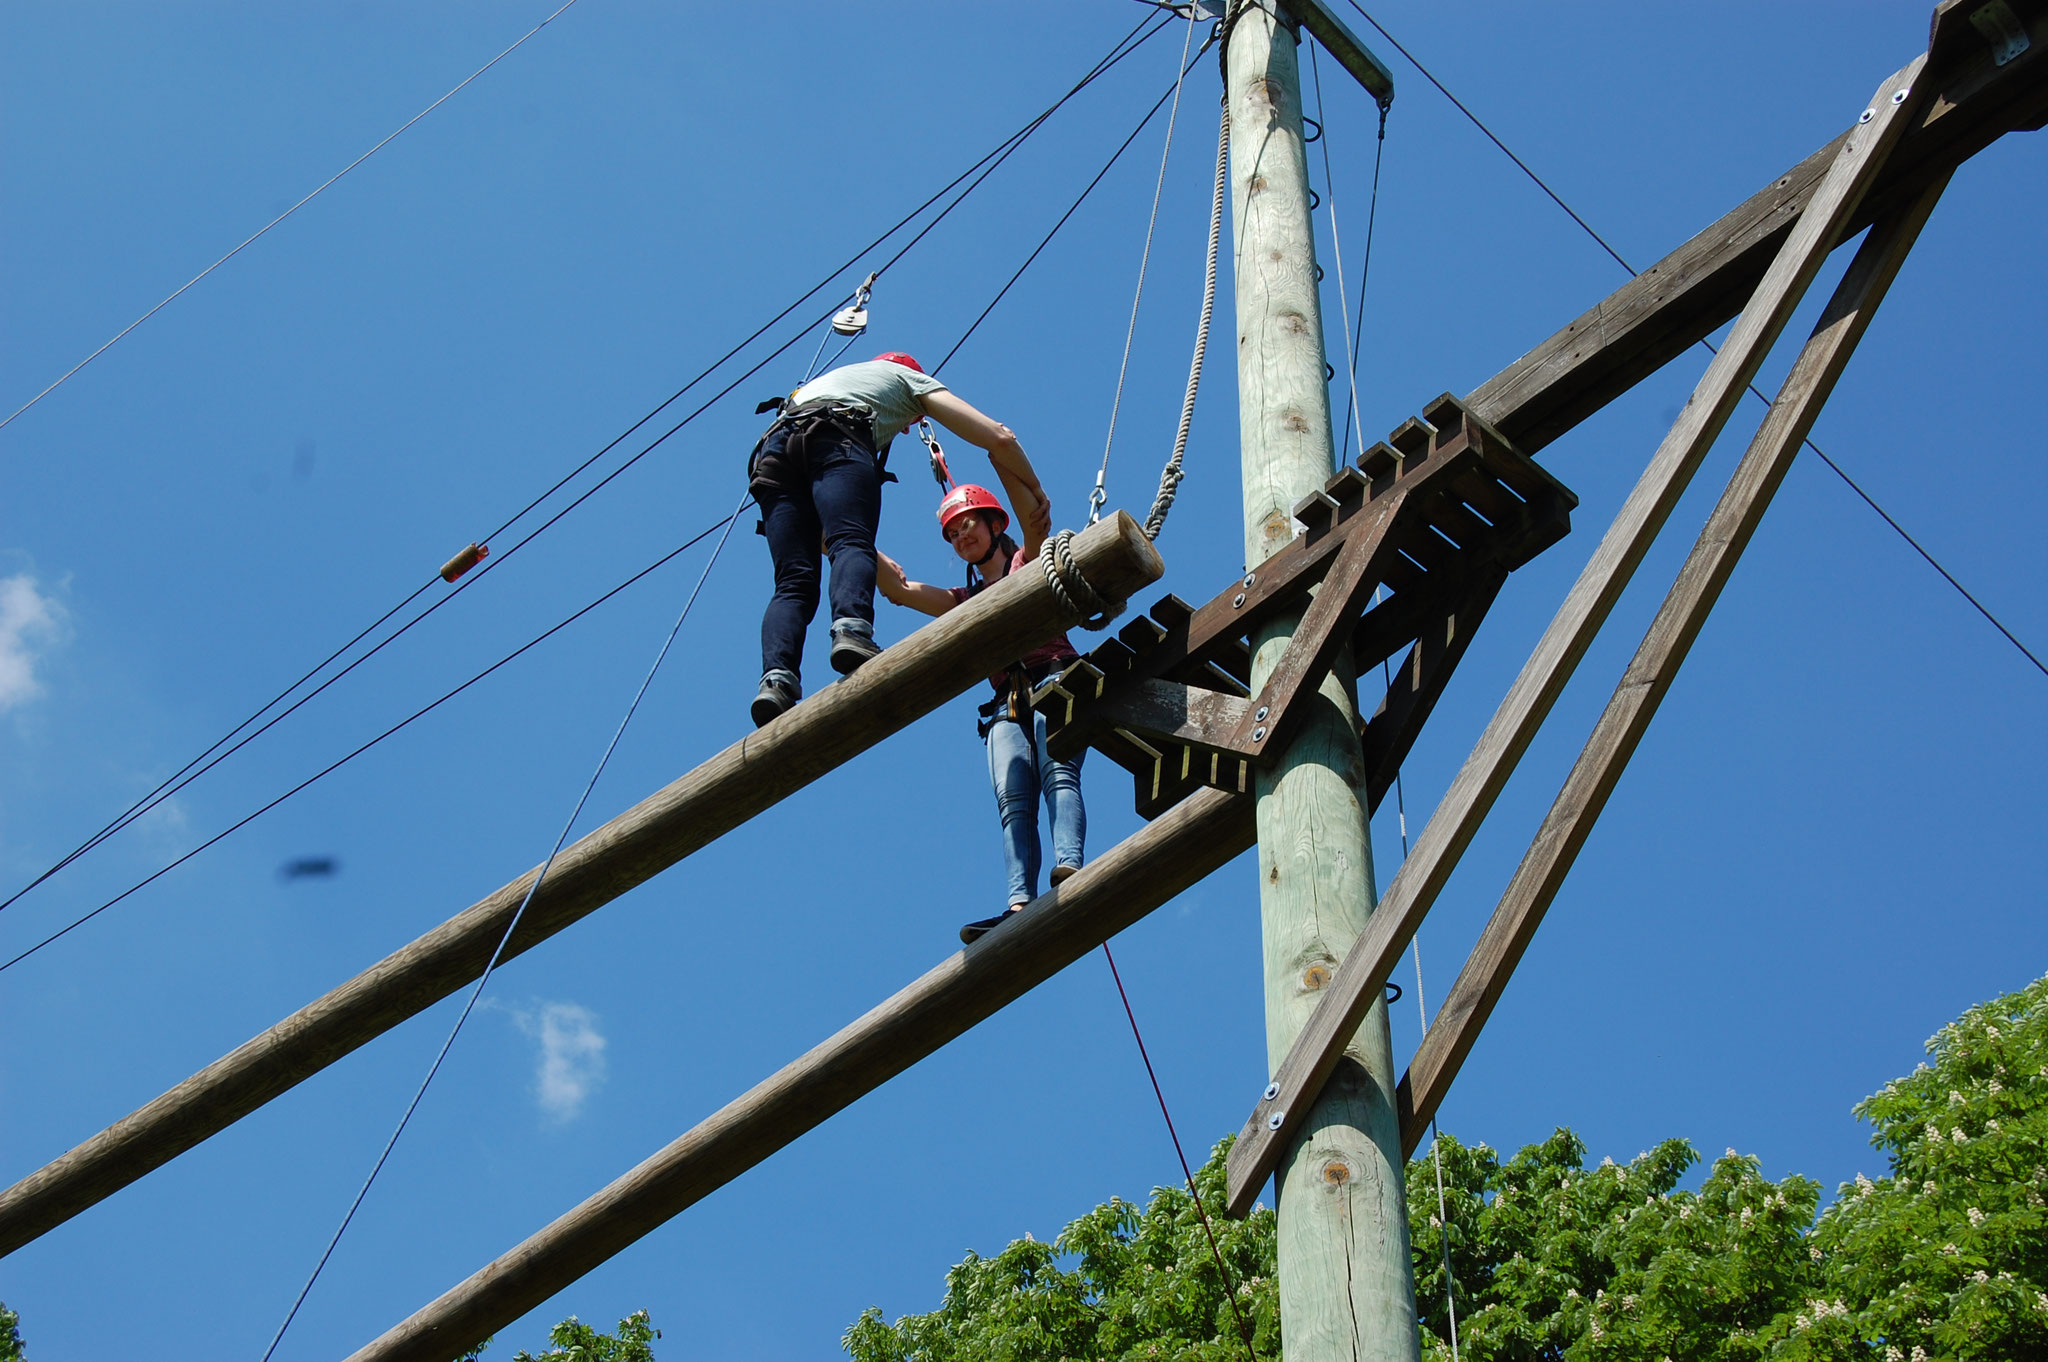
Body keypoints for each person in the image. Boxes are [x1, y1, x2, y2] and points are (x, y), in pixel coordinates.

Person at [747, 352, 1052, 727]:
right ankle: (851, 630)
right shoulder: (905, 380)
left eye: (965, 527)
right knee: (851, 542)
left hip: (771, 454)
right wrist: (1034, 486)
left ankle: (776, 680)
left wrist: (869, 555)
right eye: (954, 533)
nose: (907, 428)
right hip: (833, 435)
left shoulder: (834, 382)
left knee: (793, 583)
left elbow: (828, 538)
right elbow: (999, 438)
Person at [877, 483, 1085, 943]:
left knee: (1059, 775)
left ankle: (1067, 863)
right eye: (951, 535)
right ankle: (1018, 903)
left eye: (966, 524)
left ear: (995, 524)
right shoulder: (963, 601)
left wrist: (999, 447)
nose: (960, 538)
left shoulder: (1029, 563)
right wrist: (841, 535)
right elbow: (900, 590)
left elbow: (1033, 518)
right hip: (1007, 702)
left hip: (1053, 676)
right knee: (1013, 804)